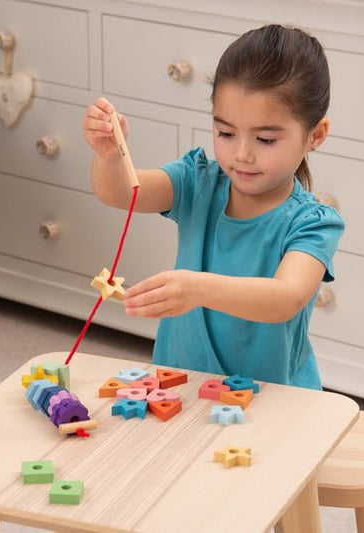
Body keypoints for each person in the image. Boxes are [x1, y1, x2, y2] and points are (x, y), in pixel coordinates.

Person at [82, 24, 344, 389]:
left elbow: (286, 298)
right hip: (181, 385)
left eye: (266, 139)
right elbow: (121, 193)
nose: (242, 154)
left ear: (315, 135)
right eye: (225, 133)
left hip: (273, 397)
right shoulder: (197, 181)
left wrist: (198, 289)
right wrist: (110, 156)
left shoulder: (312, 223)